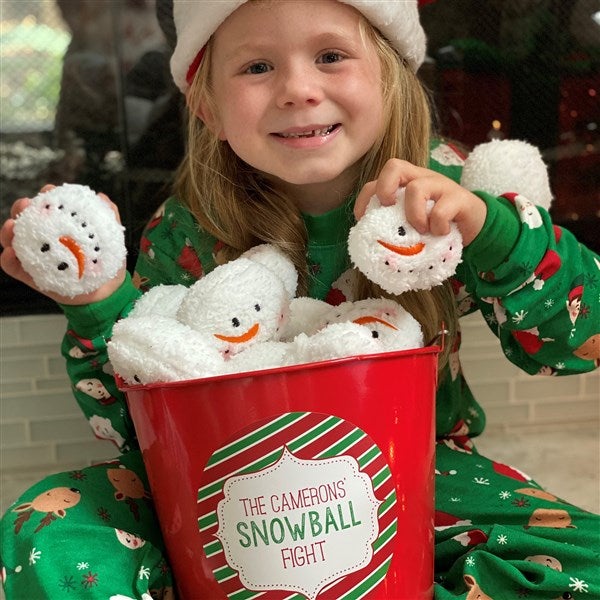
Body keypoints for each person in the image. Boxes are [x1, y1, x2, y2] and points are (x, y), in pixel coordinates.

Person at [1, 0, 599, 598]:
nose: (297, 89)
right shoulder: (187, 230)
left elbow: (578, 340)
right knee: (46, 532)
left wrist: (490, 229)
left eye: (331, 56)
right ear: (208, 106)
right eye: (257, 67)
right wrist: (98, 299)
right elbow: (142, 431)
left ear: (391, 77)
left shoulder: (444, 191)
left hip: (416, 468)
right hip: (217, 478)